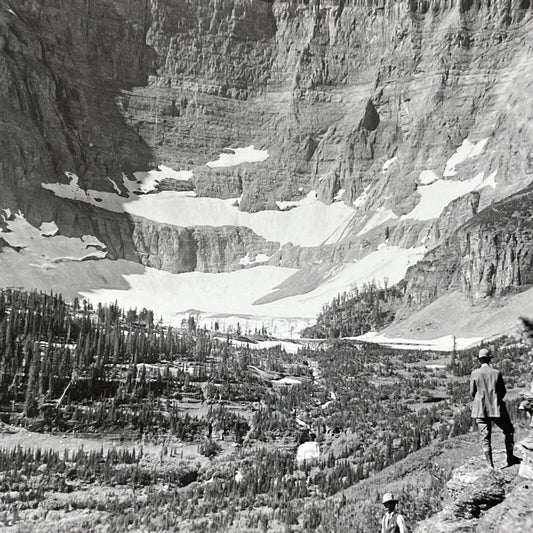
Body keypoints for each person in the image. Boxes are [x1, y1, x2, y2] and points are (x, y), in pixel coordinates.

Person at [470, 347, 521, 468]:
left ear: (479, 360)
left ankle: (490, 465)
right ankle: (510, 457)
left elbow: (472, 392)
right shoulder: (496, 373)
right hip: (496, 408)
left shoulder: (475, 373)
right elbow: (502, 391)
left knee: (485, 437)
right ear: (489, 359)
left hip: (480, 409)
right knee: (509, 431)